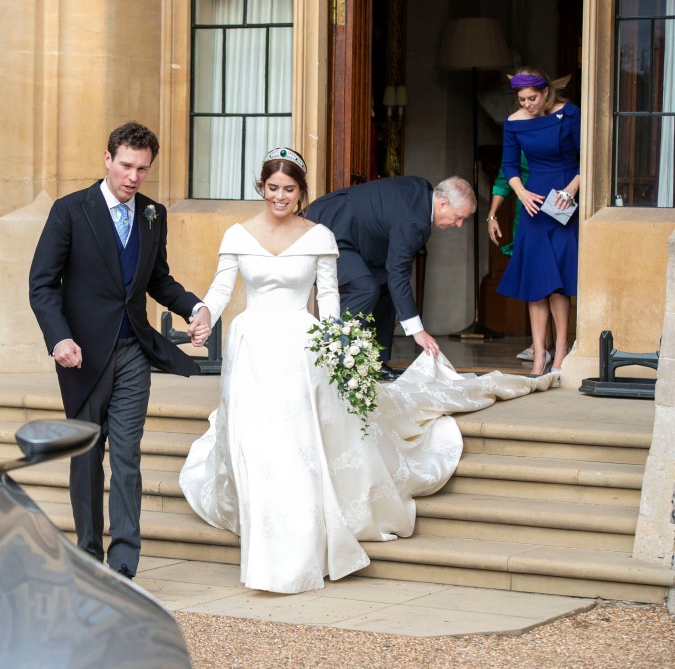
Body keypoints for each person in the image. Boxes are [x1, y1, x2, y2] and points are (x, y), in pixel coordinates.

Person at [179, 148, 556, 594]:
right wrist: (202, 314)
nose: (280, 196)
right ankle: (263, 541)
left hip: (301, 347)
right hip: (251, 348)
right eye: (273, 188)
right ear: (263, 188)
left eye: (290, 189)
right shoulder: (237, 234)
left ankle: (297, 549)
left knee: (295, 444)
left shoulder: (320, 236)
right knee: (257, 443)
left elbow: (331, 298)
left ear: (301, 193)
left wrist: (341, 345)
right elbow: (221, 289)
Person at [29, 121, 211, 579]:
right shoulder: (70, 211)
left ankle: (124, 561)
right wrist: (59, 338)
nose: (133, 177)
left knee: (128, 454)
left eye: (143, 169)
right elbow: (42, 284)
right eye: (126, 165)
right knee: (87, 454)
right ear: (107, 159)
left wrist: (195, 307)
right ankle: (89, 557)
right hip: (83, 357)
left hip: (133, 352)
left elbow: (158, 280)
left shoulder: (154, 214)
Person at [304, 175, 476, 378]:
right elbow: (399, 273)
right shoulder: (414, 222)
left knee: (384, 284)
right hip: (326, 228)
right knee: (365, 288)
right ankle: (339, 358)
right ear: (443, 203)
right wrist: (417, 331)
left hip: (349, 233)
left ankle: (376, 362)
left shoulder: (422, 189)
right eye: (458, 217)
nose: (459, 224)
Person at [497, 67, 581, 376]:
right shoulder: (514, 123)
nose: (527, 104)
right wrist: (521, 193)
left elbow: (588, 157)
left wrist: (572, 189)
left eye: (532, 98)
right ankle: (538, 358)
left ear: (547, 92)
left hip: (563, 200)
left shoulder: (570, 114)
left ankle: (560, 354)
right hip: (533, 204)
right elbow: (508, 164)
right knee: (536, 282)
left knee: (558, 281)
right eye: (521, 99)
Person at [487, 154, 553, 365]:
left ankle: (556, 345)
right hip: (527, 213)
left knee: (553, 274)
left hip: (556, 207)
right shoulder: (518, 136)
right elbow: (503, 178)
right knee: (534, 277)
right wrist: (492, 215)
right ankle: (541, 344)